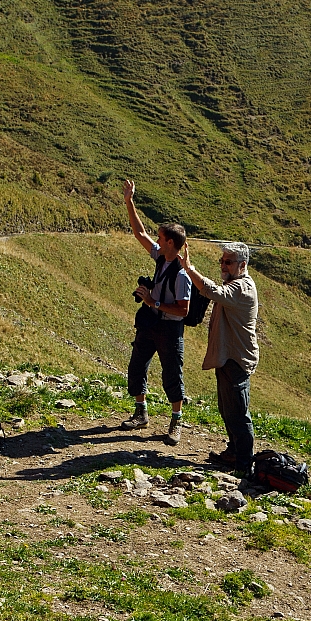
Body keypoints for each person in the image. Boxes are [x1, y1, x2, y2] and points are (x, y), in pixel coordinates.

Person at [118, 179, 191, 446]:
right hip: (150, 324)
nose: (156, 241)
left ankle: (176, 421)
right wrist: (129, 201)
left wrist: (152, 302)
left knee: (172, 374)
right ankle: (141, 413)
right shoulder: (162, 256)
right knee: (137, 366)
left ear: (170, 242)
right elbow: (139, 233)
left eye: (160, 238)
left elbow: (183, 310)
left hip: (170, 328)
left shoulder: (182, 275)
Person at [179, 241, 259, 474]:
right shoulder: (236, 283)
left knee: (238, 413)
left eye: (228, 262)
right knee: (227, 409)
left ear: (242, 265)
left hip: (237, 358)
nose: (223, 265)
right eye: (222, 261)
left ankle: (244, 465)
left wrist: (189, 269)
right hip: (229, 356)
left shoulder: (241, 288)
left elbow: (214, 292)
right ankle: (234, 453)